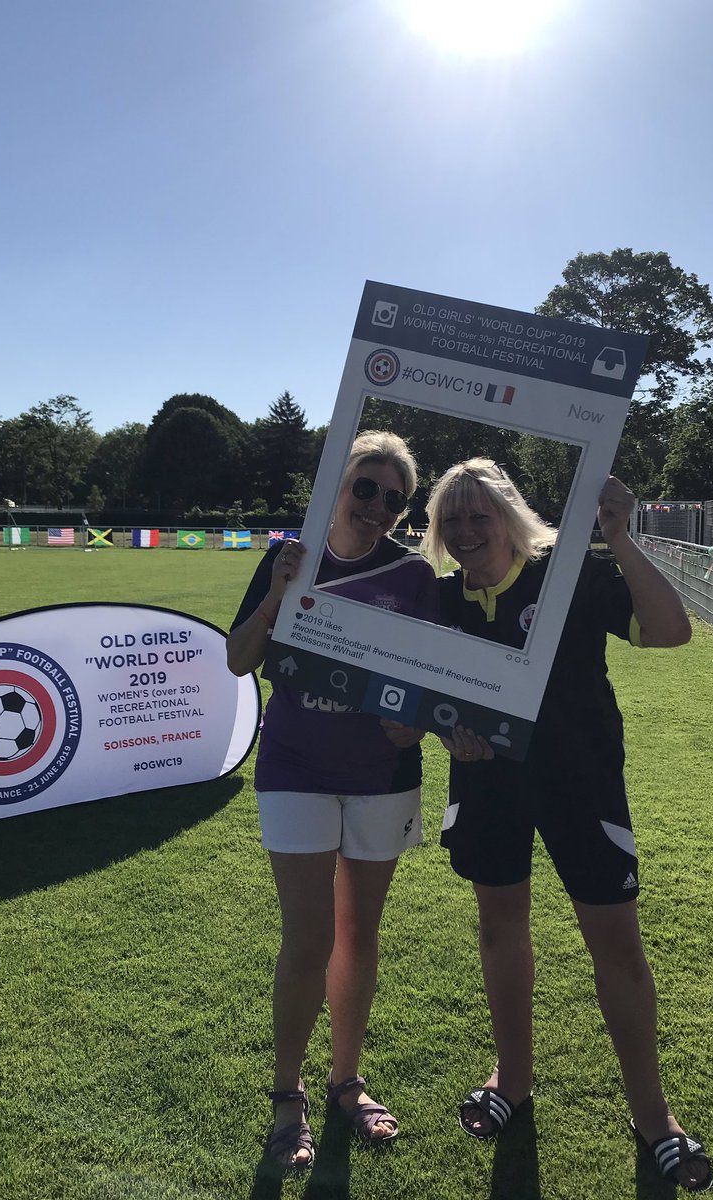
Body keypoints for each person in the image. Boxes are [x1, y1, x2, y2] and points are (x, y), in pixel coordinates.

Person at [419, 457, 713, 1194]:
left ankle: (654, 1116)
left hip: (582, 785)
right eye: (449, 519)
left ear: (510, 518)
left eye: (477, 515)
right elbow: (424, 699)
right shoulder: (442, 600)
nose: (464, 531)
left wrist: (623, 539)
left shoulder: (570, 576)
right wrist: (444, 731)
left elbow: (672, 631)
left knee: (617, 946)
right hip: (488, 789)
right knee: (498, 929)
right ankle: (511, 1080)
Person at [227, 431, 437, 1171]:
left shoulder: (413, 573)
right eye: (365, 487)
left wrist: (413, 722)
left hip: (381, 776)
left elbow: (430, 676)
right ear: (338, 485)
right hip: (294, 765)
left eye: (393, 496)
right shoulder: (290, 554)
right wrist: (280, 593)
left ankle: (347, 1080)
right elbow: (238, 659)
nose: (377, 505)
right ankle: (289, 1094)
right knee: (308, 938)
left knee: (360, 935)